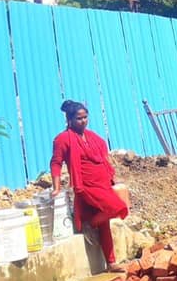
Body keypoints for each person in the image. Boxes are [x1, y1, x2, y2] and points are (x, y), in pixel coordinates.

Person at [51, 99, 128, 272]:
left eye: (85, 117)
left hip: (102, 183)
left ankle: (111, 263)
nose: (83, 121)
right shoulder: (63, 139)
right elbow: (56, 163)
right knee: (116, 207)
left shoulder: (92, 137)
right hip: (85, 186)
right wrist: (56, 187)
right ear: (69, 119)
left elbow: (103, 158)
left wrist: (110, 176)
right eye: (79, 118)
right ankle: (90, 224)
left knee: (105, 223)